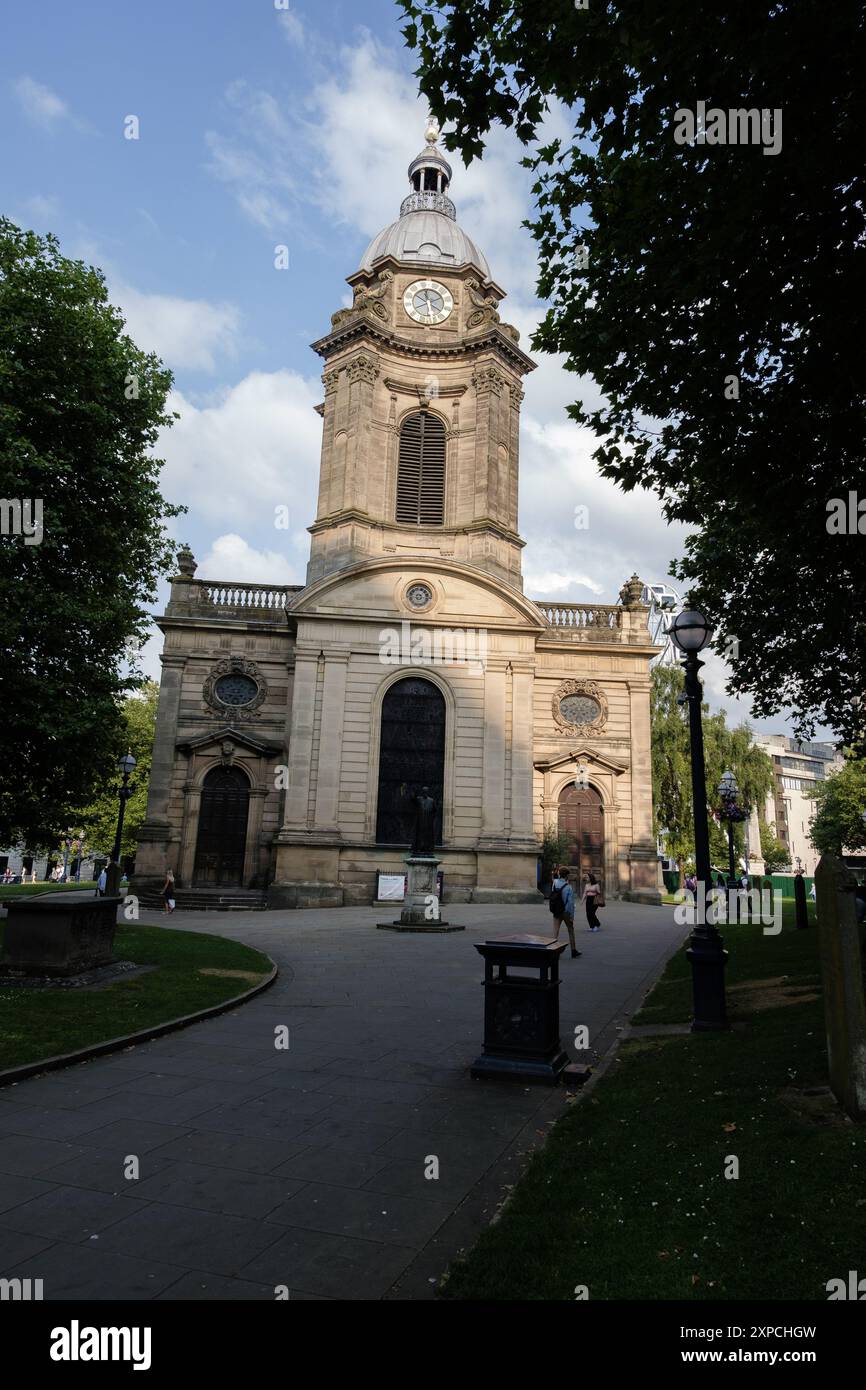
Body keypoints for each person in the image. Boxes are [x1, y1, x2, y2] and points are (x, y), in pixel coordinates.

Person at [548, 868, 580, 958]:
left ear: (559, 874)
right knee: (570, 930)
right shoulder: (568, 887)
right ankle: (573, 950)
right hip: (565, 911)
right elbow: (570, 903)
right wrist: (571, 916)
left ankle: (553, 950)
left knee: (555, 931)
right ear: (566, 876)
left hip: (556, 910)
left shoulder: (555, 883)